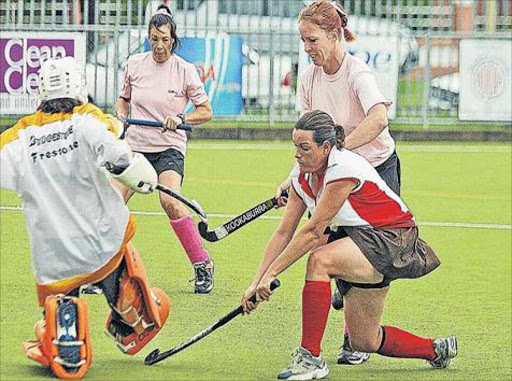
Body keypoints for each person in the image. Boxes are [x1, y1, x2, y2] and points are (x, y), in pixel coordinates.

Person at [242, 110, 457, 380]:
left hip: (392, 239)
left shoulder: (341, 169)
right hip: (357, 239)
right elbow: (284, 232)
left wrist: (273, 273)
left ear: (326, 147)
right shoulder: (301, 176)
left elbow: (313, 232)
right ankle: (435, 349)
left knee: (320, 260)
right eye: (295, 147)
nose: (297, 154)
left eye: (305, 148)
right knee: (364, 340)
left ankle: (310, 358)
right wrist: (257, 280)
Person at [0, 57, 171, 379]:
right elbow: (120, 154)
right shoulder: (87, 120)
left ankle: (65, 327)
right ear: (79, 87)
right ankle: (130, 314)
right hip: (100, 238)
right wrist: (132, 169)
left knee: (59, 294)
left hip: (53, 256)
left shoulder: (18, 137)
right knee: (117, 250)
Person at [274, 0, 402, 365]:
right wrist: (293, 178)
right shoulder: (308, 75)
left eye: (312, 40)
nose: (307, 48)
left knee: (362, 258)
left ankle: (353, 336)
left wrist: (341, 149)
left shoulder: (357, 72)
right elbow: (306, 137)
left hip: (376, 173)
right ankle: (346, 316)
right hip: (334, 174)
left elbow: (379, 119)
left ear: (334, 35)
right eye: (303, 41)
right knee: (331, 248)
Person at [115, 4, 214, 294]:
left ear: (174, 40)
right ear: (148, 38)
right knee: (112, 202)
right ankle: (107, 272)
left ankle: (202, 264)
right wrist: (121, 113)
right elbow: (123, 99)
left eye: (165, 40)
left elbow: (205, 111)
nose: (159, 46)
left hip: (169, 147)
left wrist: (181, 118)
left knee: (171, 202)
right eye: (155, 39)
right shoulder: (135, 64)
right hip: (135, 147)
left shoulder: (184, 70)